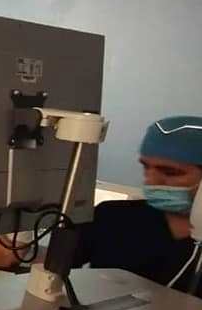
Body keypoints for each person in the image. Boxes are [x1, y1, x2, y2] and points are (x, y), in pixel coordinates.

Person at [75, 115, 202, 295]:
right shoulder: (111, 217)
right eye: (146, 167)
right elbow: (51, 273)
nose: (151, 180)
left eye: (171, 172)